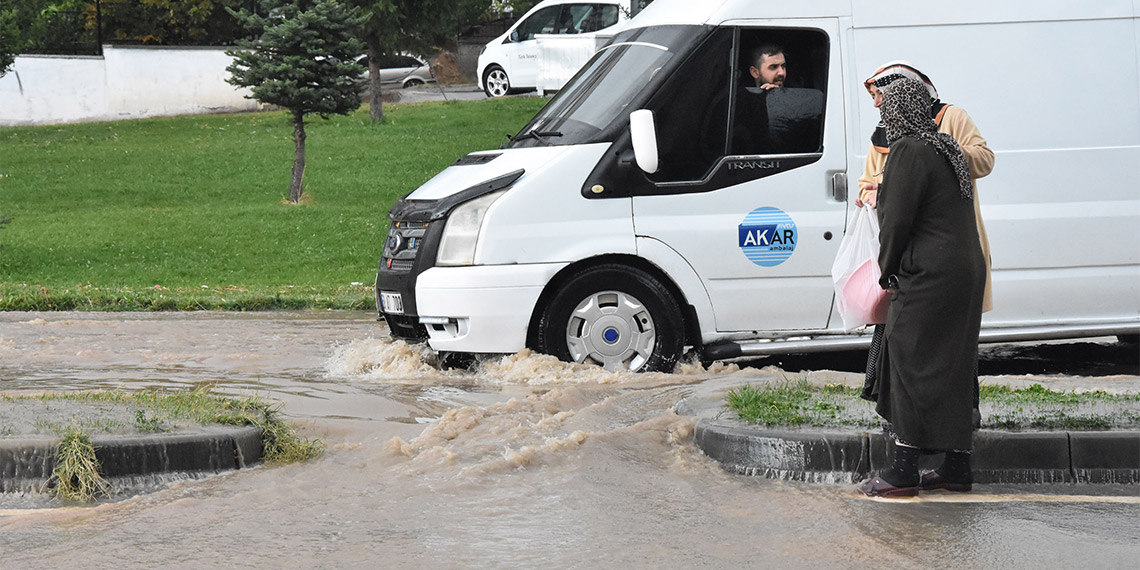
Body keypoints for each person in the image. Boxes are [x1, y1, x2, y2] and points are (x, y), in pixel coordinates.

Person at [857, 77, 986, 498]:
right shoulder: (947, 146)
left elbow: (896, 221)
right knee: (954, 366)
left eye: (885, 110)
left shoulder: (908, 150)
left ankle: (903, 471)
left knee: (908, 360)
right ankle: (956, 469)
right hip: (965, 272)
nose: (883, 118)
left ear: (898, 112)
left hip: (929, 274)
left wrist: (887, 270)